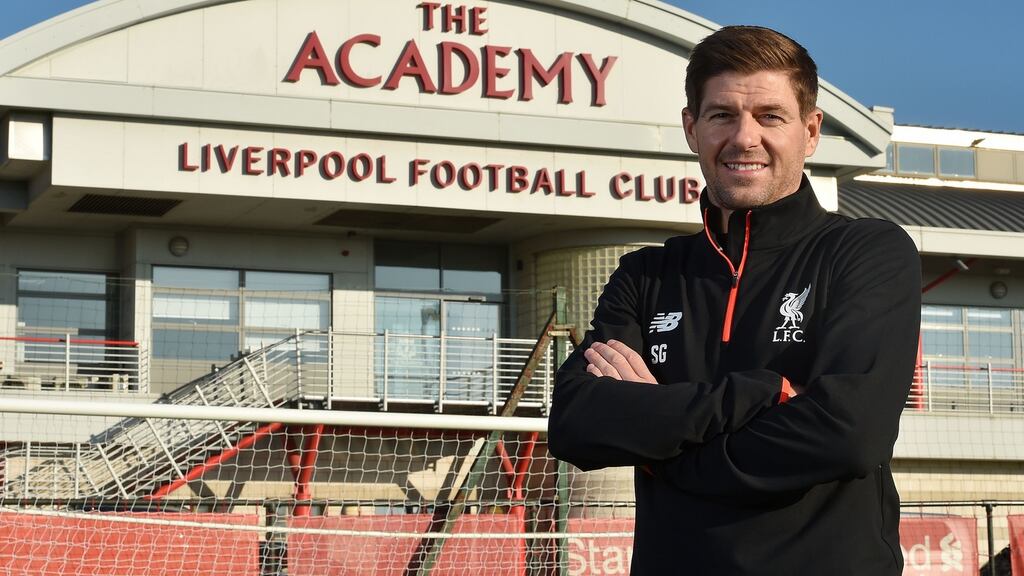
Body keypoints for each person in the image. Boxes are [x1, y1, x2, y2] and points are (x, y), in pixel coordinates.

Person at [547, 26, 921, 575]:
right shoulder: (648, 274)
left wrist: (663, 451)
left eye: (770, 116)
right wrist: (758, 394)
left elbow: (849, 435)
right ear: (691, 128)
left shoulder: (865, 252)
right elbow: (576, 423)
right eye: (722, 115)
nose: (745, 137)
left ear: (810, 131)